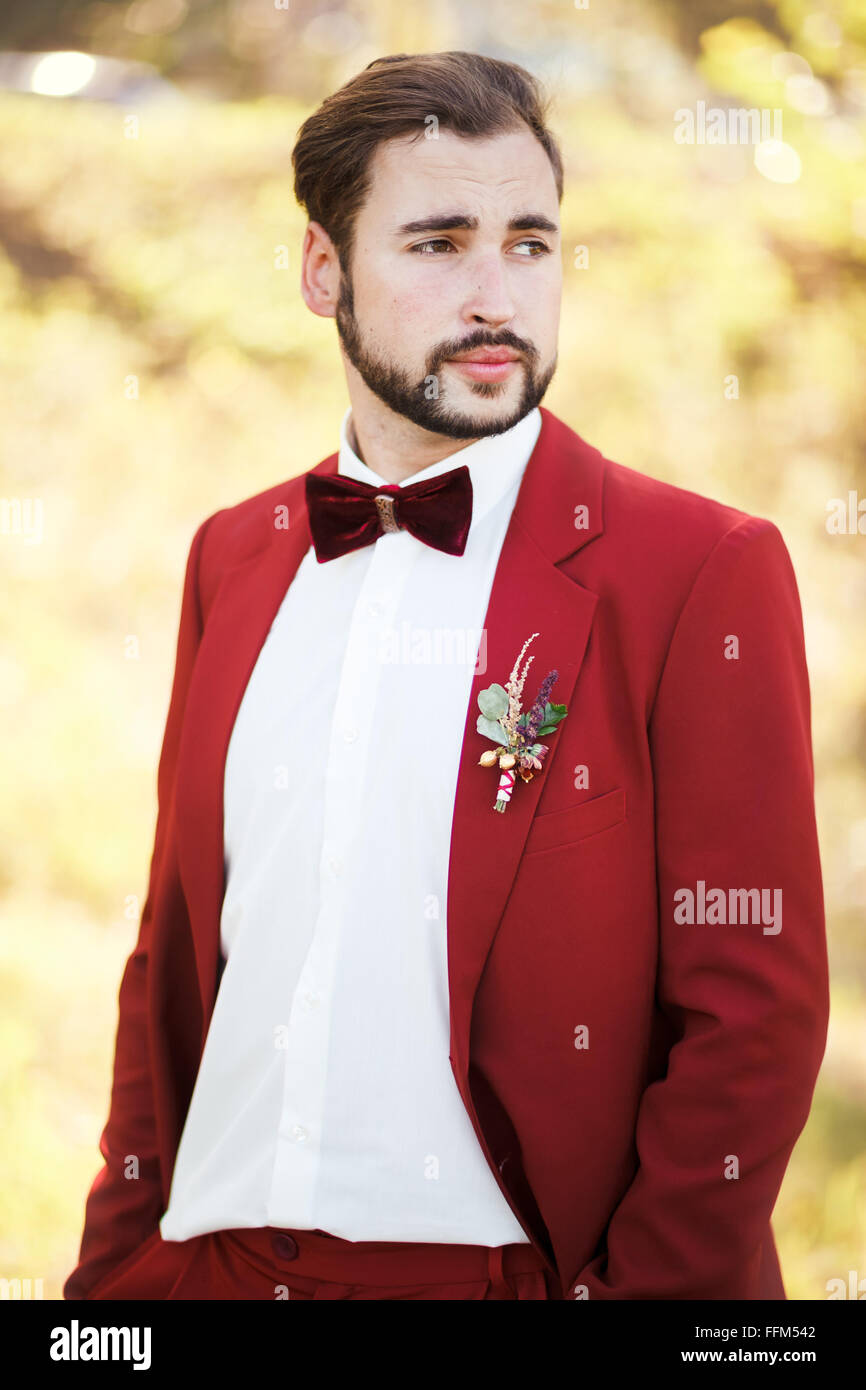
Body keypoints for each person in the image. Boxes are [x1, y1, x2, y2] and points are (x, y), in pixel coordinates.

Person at [65, 50, 828, 1302]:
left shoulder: (697, 570)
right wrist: (108, 1287)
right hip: (204, 1270)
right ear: (323, 271)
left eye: (529, 244)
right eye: (437, 244)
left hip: (501, 1275)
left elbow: (753, 1014)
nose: (495, 294)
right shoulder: (232, 557)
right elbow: (176, 957)